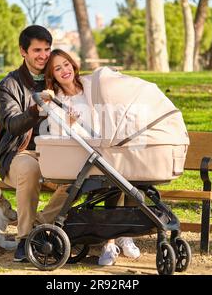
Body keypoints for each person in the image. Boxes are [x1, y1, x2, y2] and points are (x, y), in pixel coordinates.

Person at [44, 49, 141, 266]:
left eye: (66, 64)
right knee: (112, 180)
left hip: (106, 146)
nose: (64, 70)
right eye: (57, 69)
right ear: (53, 75)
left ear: (73, 64)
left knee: (135, 175)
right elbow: (56, 136)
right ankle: (110, 242)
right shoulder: (56, 101)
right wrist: (68, 124)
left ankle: (124, 233)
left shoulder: (90, 86)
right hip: (80, 157)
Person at [0, 25, 71, 263]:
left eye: (47, 49)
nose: (43, 55)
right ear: (23, 51)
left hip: (54, 155)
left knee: (80, 175)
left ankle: (38, 227)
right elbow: (12, 124)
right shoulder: (9, 86)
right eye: (37, 50)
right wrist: (35, 110)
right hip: (19, 155)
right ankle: (25, 238)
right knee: (30, 169)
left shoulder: (56, 77)